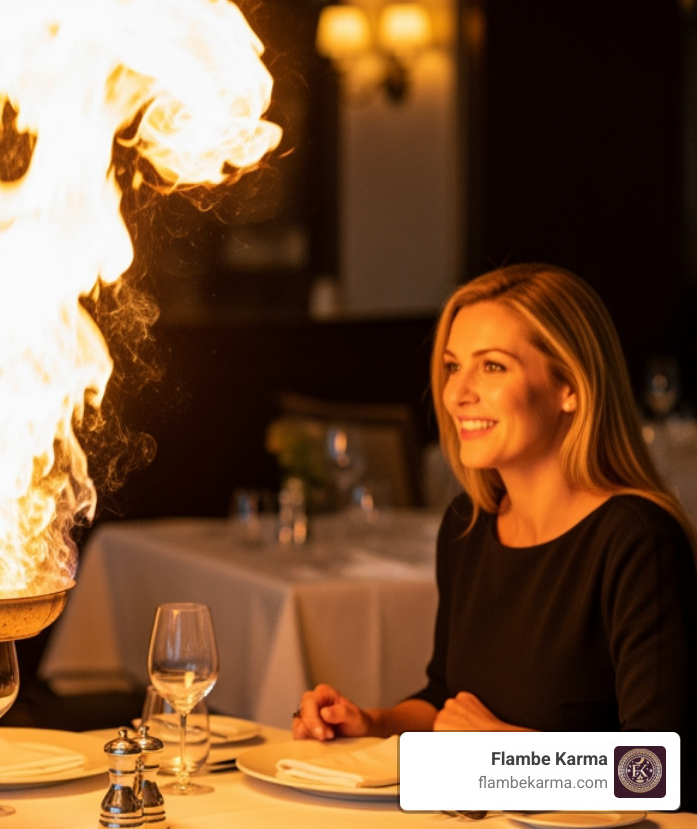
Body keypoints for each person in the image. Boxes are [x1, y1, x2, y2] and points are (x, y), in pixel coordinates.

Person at [293, 265, 697, 775]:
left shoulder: (637, 541)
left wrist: (500, 746)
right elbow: (446, 701)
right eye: (453, 365)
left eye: (493, 367)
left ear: (569, 386)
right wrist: (370, 721)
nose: (457, 393)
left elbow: (659, 772)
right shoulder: (469, 524)